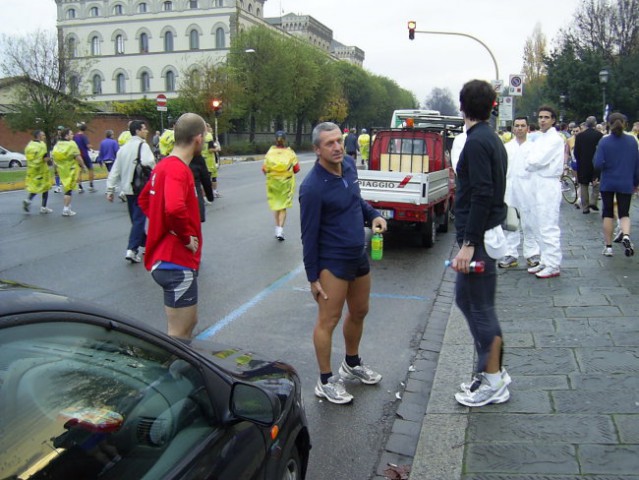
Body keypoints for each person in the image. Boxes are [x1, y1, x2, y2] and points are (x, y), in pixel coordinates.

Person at [299, 122, 387, 405]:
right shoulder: (312, 187)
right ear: (317, 150)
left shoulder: (349, 165)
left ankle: (351, 363)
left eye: (339, 140)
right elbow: (308, 235)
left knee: (360, 311)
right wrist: (312, 277)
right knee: (328, 320)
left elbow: (355, 201)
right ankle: (325, 381)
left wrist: (373, 214)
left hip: (357, 255)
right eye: (329, 143)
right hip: (332, 261)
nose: (337, 147)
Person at [450, 79, 510, 408]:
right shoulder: (490, 139)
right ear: (492, 106)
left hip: (480, 238)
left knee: (481, 307)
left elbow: (483, 193)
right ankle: (489, 368)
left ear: (462, 106)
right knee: (465, 299)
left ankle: (494, 378)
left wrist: (469, 242)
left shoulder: (476, 143)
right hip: (482, 234)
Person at [138, 113, 206, 339]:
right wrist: (185, 237)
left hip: (163, 259)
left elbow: (145, 200)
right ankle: (175, 373)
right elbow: (175, 208)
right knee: (179, 334)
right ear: (198, 138)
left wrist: (163, 224)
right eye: (204, 137)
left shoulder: (163, 165)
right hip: (176, 263)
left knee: (188, 324)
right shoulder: (179, 170)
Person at [106, 120, 156, 263]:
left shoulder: (123, 149)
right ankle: (132, 249)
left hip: (127, 189)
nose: (146, 131)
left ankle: (146, 244)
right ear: (138, 131)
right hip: (141, 188)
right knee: (139, 220)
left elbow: (115, 170)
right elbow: (150, 163)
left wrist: (110, 189)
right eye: (144, 129)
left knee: (135, 219)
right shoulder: (143, 146)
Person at [525, 106, 565, 279]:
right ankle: (546, 259)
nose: (542, 120)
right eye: (540, 117)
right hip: (537, 181)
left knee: (548, 224)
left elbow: (537, 160)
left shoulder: (555, 139)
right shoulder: (540, 138)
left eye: (546, 117)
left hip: (548, 182)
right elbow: (532, 159)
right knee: (537, 223)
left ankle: (553, 264)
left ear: (553, 120)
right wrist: (531, 162)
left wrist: (531, 162)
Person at [594, 112, 639, 257]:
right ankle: (625, 235)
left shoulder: (604, 141)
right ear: (625, 124)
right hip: (626, 181)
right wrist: (636, 182)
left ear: (608, 124)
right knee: (624, 213)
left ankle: (608, 247)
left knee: (607, 213)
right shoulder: (633, 141)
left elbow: (597, 163)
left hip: (608, 181)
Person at [498, 116, 540, 269]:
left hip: (529, 189)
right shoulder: (507, 147)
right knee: (511, 222)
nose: (520, 128)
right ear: (513, 128)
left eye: (523, 126)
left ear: (528, 128)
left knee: (529, 222)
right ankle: (511, 253)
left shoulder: (534, 147)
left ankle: (532, 253)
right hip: (510, 189)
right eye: (517, 126)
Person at [263, 130, 300, 241]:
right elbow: (297, 169)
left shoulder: (270, 152)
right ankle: (280, 230)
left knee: (276, 206)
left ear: (275, 139)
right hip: (286, 183)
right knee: (283, 206)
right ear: (285, 140)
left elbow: (264, 169)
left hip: (273, 183)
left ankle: (277, 228)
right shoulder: (290, 153)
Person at [52, 128, 86, 216]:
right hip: (71, 169)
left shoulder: (57, 145)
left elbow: (54, 158)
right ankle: (66, 209)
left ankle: (68, 207)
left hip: (61, 170)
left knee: (66, 189)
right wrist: (83, 166)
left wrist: (55, 168)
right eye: (71, 134)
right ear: (66, 135)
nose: (73, 135)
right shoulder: (72, 144)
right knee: (68, 191)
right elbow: (78, 156)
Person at [573, 116, 603, 214]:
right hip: (595, 163)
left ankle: (585, 207)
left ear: (586, 124)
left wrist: (579, 160)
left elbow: (576, 151)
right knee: (597, 182)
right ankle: (593, 201)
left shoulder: (580, 136)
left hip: (583, 163)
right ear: (595, 124)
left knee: (584, 185)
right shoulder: (599, 135)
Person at [22, 130, 53, 214]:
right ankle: (43, 207)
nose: (44, 137)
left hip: (32, 171)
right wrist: (51, 159)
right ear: (38, 136)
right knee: (45, 187)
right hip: (41, 170)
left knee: (35, 187)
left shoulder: (29, 145)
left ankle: (28, 200)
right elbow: (44, 158)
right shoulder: (42, 145)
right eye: (43, 135)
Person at [189, 152, 214, 222]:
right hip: (194, 200)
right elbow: (205, 178)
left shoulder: (169, 161)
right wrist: (210, 196)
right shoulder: (197, 158)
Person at [73, 123, 96, 193]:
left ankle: (80, 187)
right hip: (84, 154)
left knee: (79, 171)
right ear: (85, 129)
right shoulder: (84, 136)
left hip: (77, 155)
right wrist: (91, 147)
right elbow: (88, 145)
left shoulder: (75, 136)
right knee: (91, 168)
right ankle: (91, 186)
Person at [202, 123, 222, 198]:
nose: (210, 129)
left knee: (208, 178)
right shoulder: (209, 137)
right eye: (209, 127)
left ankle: (211, 192)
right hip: (209, 160)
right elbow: (210, 150)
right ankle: (208, 194)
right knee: (210, 178)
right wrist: (217, 149)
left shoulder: (199, 136)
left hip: (203, 158)